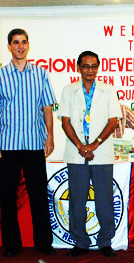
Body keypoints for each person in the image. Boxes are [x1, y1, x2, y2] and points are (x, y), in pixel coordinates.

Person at [57, 51, 122, 257]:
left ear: (98, 68)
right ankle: (81, 242)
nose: (90, 70)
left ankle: (105, 242)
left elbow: (113, 120)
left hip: (101, 153)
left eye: (94, 66)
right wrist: (80, 146)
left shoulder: (109, 90)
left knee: (104, 199)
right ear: (78, 67)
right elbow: (65, 121)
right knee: (77, 199)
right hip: (76, 154)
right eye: (86, 66)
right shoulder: (69, 90)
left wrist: (94, 144)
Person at [0, 28, 57, 257]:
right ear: (9, 47)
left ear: (28, 45)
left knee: (38, 195)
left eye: (24, 42)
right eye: (16, 42)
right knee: (7, 196)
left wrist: (50, 136)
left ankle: (44, 244)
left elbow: (47, 108)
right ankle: (11, 245)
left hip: (35, 143)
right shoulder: (1, 75)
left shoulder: (41, 74)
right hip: (8, 145)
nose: (20, 46)